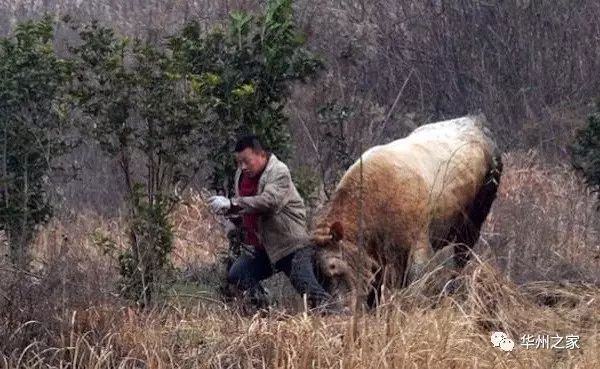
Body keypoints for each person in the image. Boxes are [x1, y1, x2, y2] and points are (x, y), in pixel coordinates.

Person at [208, 135, 338, 312]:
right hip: (262, 249)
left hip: (290, 246)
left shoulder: (279, 171)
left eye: (246, 161)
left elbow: (269, 201)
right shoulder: (241, 175)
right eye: (239, 163)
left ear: (261, 154)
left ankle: (338, 318)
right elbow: (246, 208)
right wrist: (230, 215)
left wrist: (233, 203)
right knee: (238, 274)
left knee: (310, 293)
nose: (242, 167)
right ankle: (266, 313)